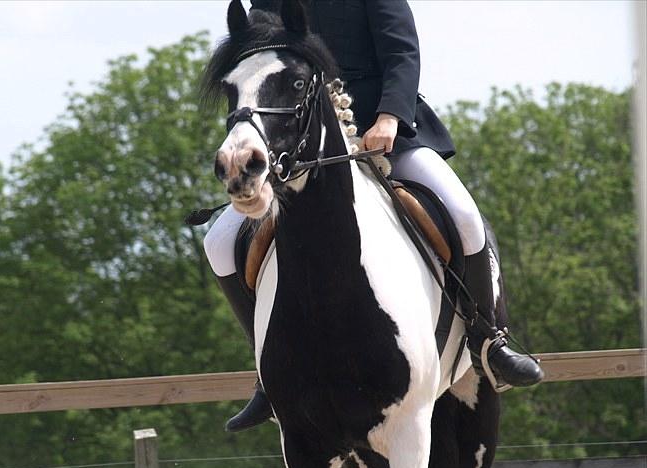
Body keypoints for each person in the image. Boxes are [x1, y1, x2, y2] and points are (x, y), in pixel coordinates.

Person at [204, 0, 544, 432]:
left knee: (463, 213)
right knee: (218, 244)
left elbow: (402, 52)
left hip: (383, 136)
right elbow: (258, 74)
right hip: (306, 152)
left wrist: (390, 117)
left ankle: (488, 341)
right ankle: (268, 372)